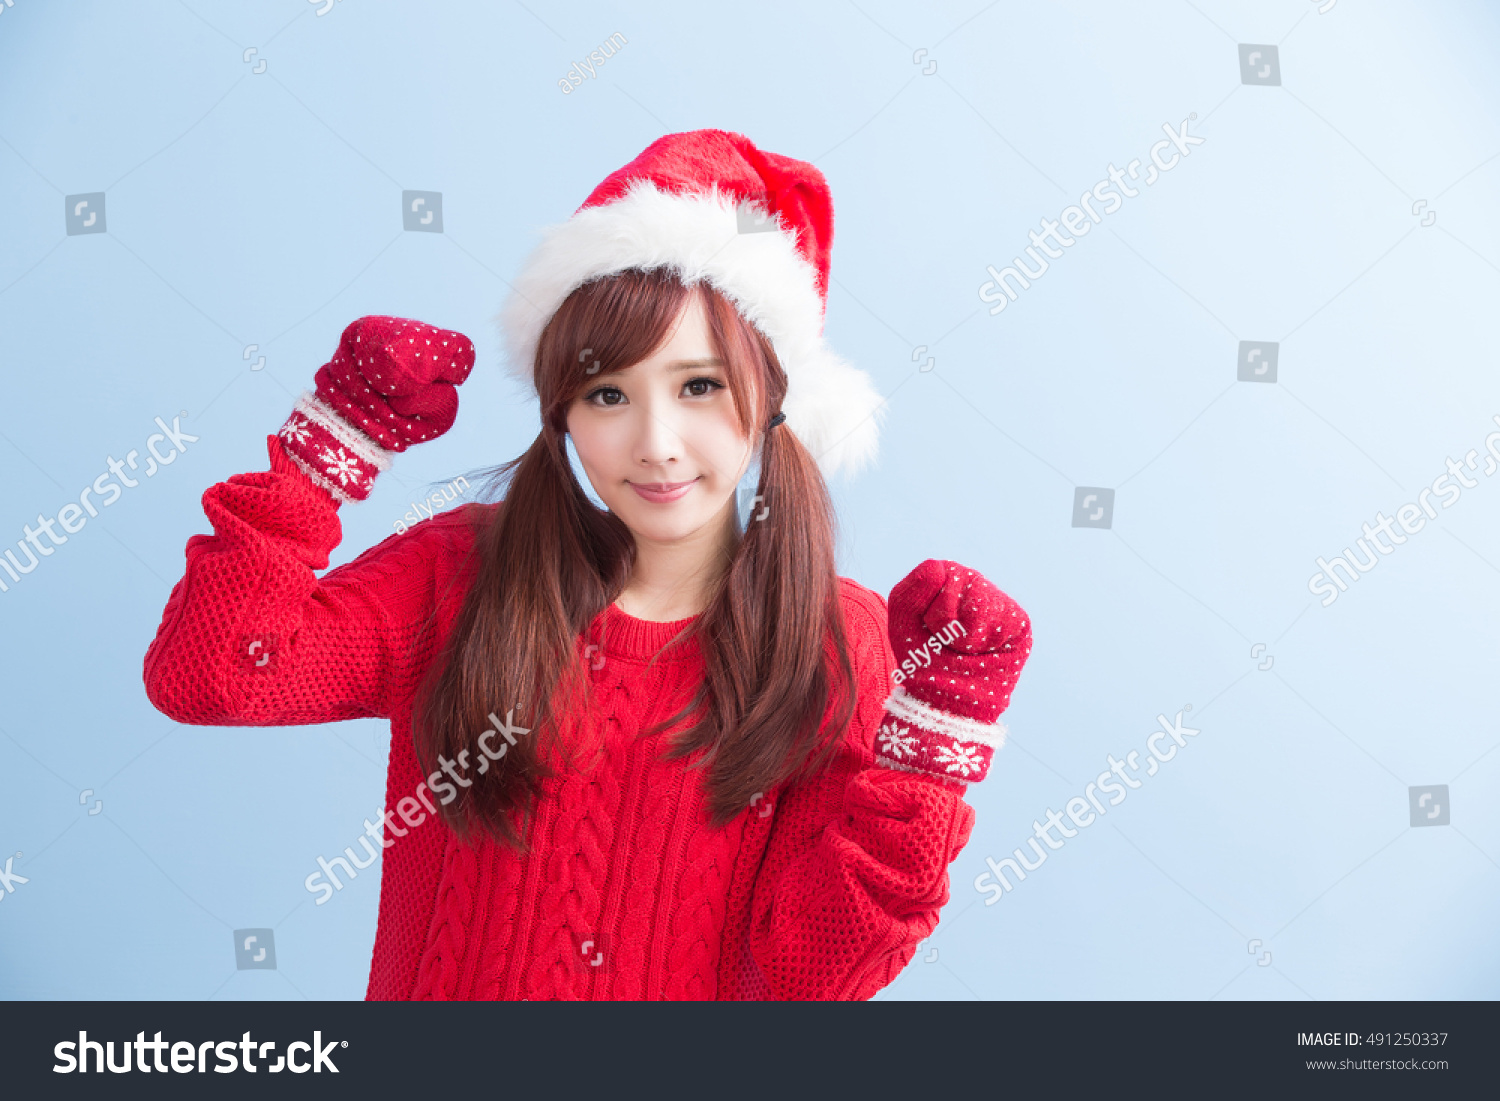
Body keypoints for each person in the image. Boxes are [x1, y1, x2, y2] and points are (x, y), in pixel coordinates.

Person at [142, 129, 1033, 1000]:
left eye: (699, 385)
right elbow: (212, 674)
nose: (655, 444)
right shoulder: (464, 574)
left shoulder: (838, 641)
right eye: (609, 394)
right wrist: (321, 454)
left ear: (771, 397)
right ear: (563, 411)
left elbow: (813, 973)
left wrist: (930, 759)